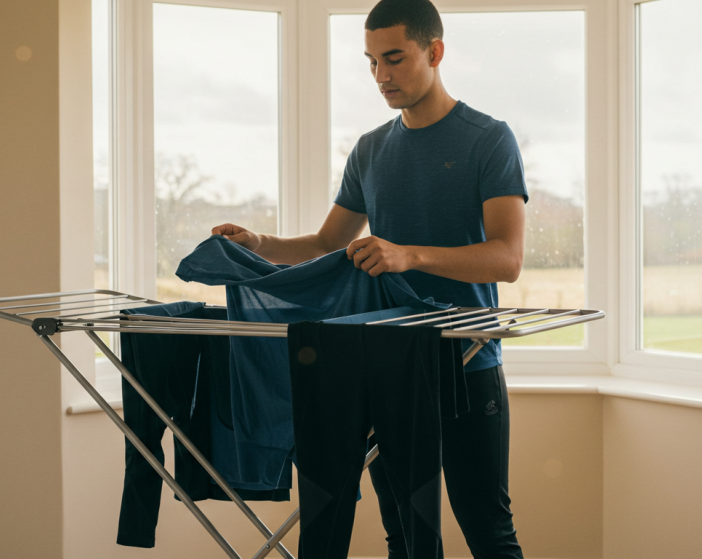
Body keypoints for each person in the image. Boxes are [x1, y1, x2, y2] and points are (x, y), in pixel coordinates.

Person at [212, 0, 527, 556]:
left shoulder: (488, 139)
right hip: (388, 367)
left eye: (395, 58)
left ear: (435, 52)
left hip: (467, 363)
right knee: (403, 535)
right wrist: (259, 244)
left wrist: (408, 256)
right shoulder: (370, 149)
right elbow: (325, 244)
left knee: (488, 531)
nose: (381, 75)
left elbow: (507, 259)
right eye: (371, 62)